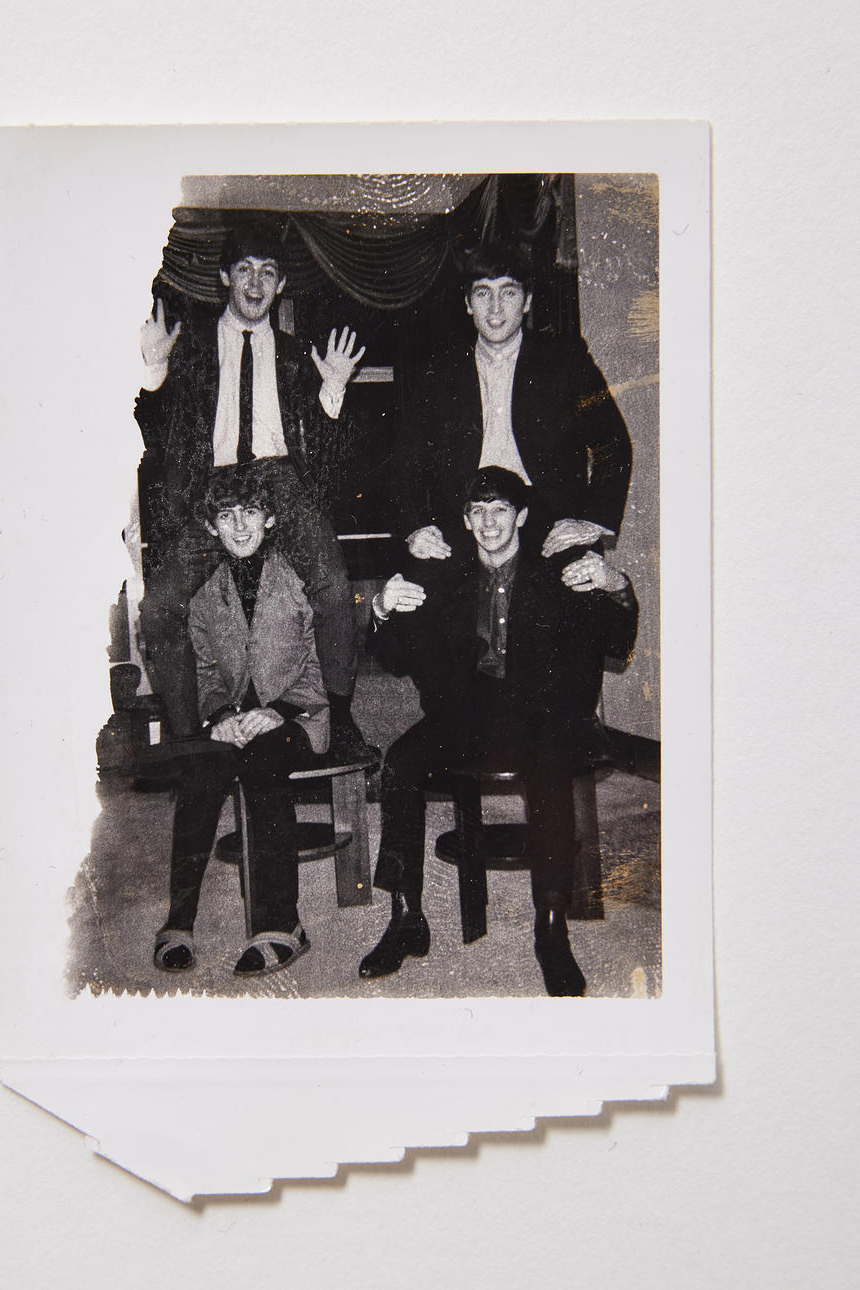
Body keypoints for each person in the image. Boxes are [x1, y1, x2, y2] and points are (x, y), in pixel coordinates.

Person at [358, 467, 638, 996]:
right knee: (400, 763)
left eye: (501, 510)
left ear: (522, 517)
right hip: (466, 716)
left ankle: (551, 929)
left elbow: (616, 642)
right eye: (478, 511)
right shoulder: (442, 576)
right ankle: (406, 916)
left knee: (550, 766)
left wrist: (616, 585)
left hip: (542, 716)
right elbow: (393, 658)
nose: (489, 522)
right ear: (465, 521)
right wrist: (379, 609)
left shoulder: (556, 570)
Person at [135, 220, 373, 757]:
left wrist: (333, 390)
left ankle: (340, 721)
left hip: (280, 482)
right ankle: (189, 739)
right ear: (225, 277)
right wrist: (154, 370)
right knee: (159, 607)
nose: (256, 283)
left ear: (281, 284)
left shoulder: (297, 354)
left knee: (335, 590)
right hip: (212, 491)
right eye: (244, 269)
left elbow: (328, 459)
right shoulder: (190, 349)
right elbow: (151, 435)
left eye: (268, 272)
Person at [152, 465, 328, 978]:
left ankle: (282, 924)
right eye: (226, 517)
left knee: (263, 765)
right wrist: (220, 715)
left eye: (250, 512)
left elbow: (323, 661)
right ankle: (179, 921)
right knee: (200, 771)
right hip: (233, 720)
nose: (240, 526)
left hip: (297, 715)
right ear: (211, 528)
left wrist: (278, 711)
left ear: (269, 518)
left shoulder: (298, 578)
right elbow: (205, 670)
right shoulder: (204, 591)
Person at [397, 241, 632, 565]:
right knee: (424, 593)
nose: (495, 309)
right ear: (468, 303)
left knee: (578, 594)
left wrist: (593, 522)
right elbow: (407, 460)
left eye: (508, 293)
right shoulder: (439, 370)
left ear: (527, 301)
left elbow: (613, 443)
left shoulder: (565, 359)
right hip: (465, 525)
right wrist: (416, 528)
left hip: (550, 526)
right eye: (483, 293)